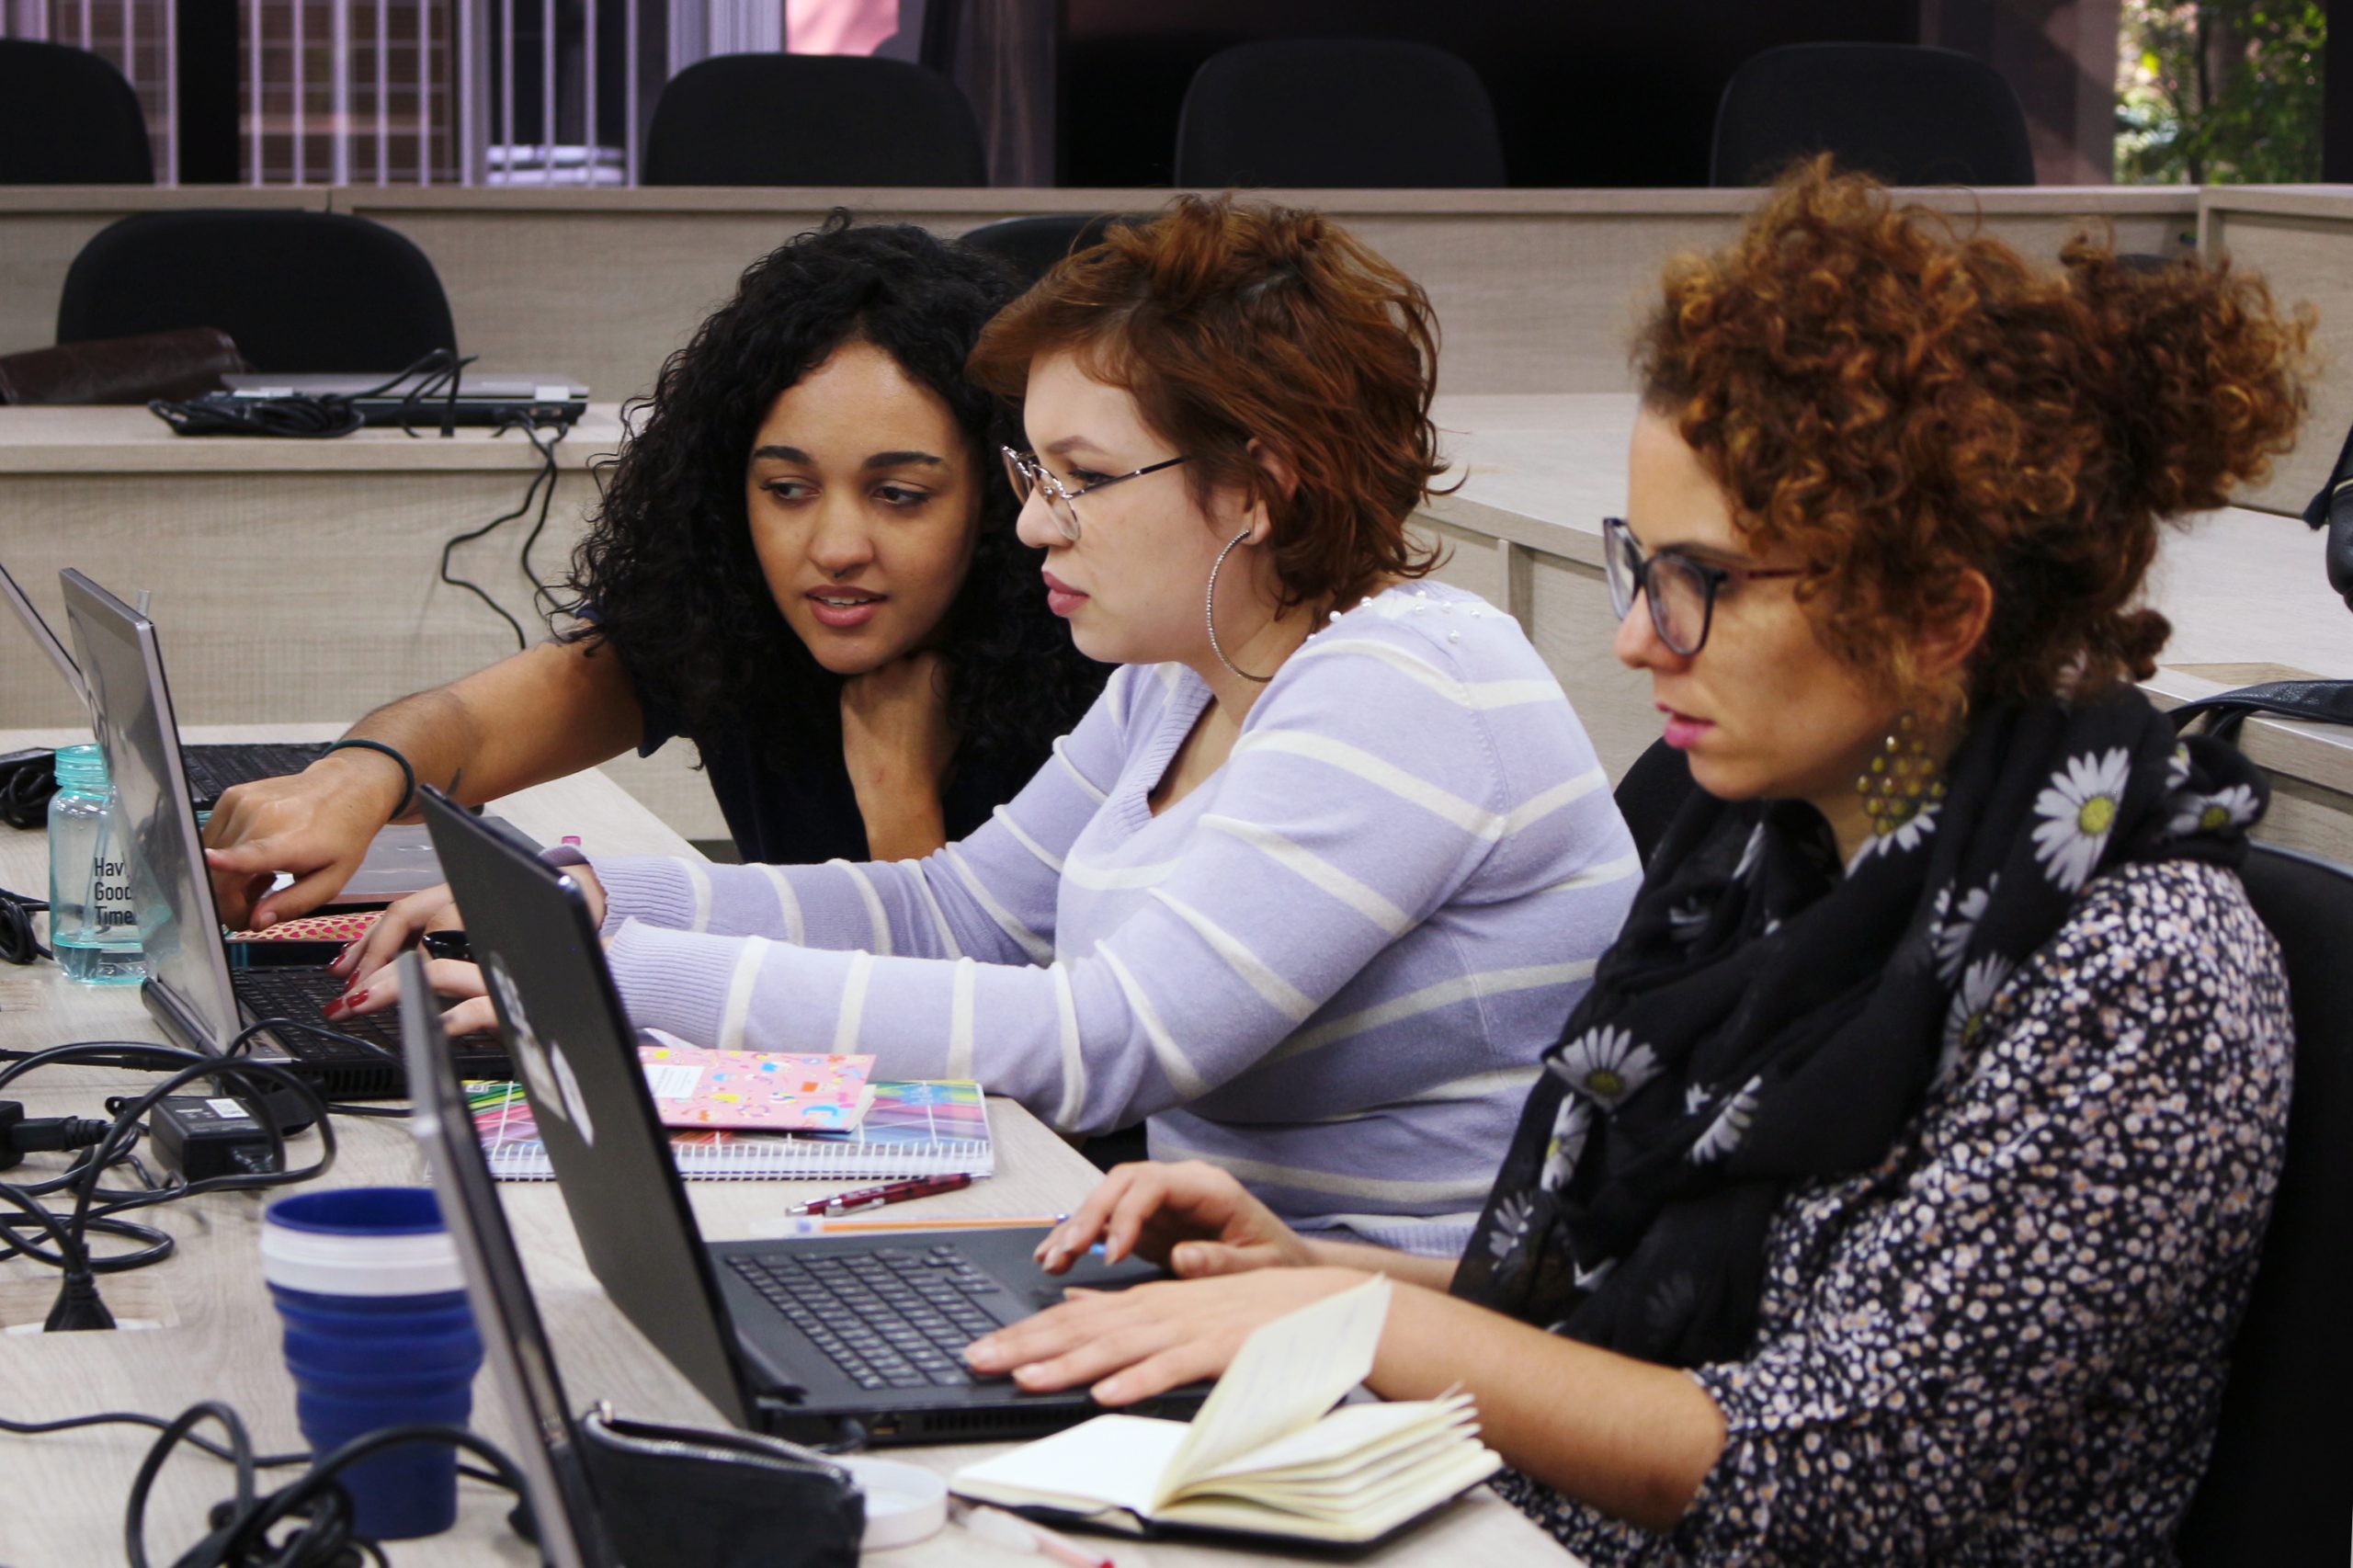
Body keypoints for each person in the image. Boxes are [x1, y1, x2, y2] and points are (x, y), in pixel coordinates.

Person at [962, 164, 2311, 1563]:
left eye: (1701, 582)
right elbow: (1644, 1308)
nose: (1639, 638)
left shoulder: (2140, 970)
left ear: (1936, 615)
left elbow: (1838, 1464)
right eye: (1639, 566)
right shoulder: (1773, 861)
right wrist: (1314, 1271)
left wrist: (1371, 1321)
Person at [346, 196, 1641, 1255]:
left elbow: (1100, 1037)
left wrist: (611, 976)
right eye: (1033, 474)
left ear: (1256, 485)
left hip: (1406, 1370)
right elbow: (958, 915)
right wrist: (588, 904)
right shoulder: (1182, 673)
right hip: (1222, 1302)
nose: (1032, 525)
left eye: (1080, 480)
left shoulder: (1408, 682)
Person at [200, 217, 1106, 931]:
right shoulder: (732, 613)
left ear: (998, 496)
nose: (835, 545)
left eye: (899, 494)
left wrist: (900, 807)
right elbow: (471, 724)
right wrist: (356, 777)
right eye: (786, 488)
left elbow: (995, 1027)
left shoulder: (1103, 665)